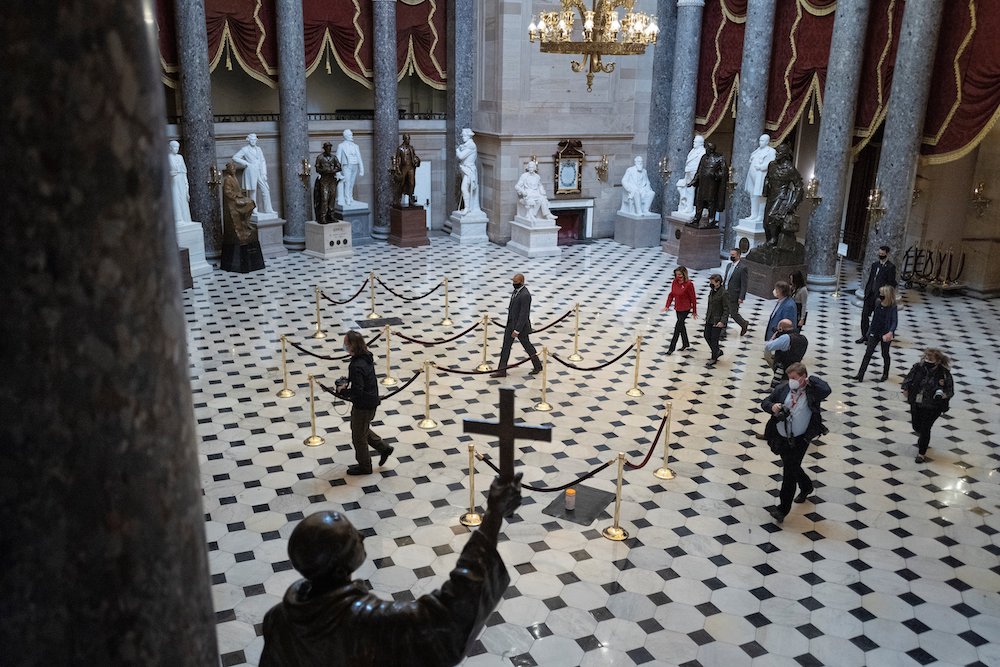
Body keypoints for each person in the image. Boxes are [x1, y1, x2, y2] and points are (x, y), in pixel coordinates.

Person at [259, 473, 522, 667]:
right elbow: (447, 618)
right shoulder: (369, 623)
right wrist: (493, 516)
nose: (361, 535)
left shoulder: (279, 620)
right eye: (352, 536)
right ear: (339, 566)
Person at [761, 362, 831, 524]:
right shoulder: (783, 389)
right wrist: (773, 407)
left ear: (803, 378)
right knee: (791, 465)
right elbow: (765, 402)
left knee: (789, 474)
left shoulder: (813, 392)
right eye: (789, 377)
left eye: (794, 378)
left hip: (801, 439)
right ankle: (806, 486)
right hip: (781, 436)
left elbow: (826, 389)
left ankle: (782, 509)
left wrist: (810, 380)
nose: (790, 380)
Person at [336, 331, 393, 475]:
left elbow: (358, 391)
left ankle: (365, 466)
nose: (344, 346)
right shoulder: (366, 356)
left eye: (346, 343)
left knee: (358, 437)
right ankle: (384, 448)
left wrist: (343, 392)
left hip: (364, 405)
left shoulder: (356, 365)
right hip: (371, 401)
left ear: (351, 345)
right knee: (361, 429)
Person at [901, 348, 954, 464]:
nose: (928, 361)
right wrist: (905, 388)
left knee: (926, 428)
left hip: (933, 407)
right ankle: (922, 438)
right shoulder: (918, 367)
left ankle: (921, 453)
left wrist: (942, 395)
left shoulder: (943, 373)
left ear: (938, 361)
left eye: (931, 360)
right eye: (926, 358)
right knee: (917, 427)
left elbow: (950, 390)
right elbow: (908, 379)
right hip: (917, 402)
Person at [490, 273, 543, 378]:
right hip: (510, 324)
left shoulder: (525, 295)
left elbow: (524, 314)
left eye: (516, 282)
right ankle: (501, 370)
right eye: (513, 282)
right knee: (505, 347)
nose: (514, 284)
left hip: (520, 327)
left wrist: (517, 330)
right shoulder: (516, 291)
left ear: (522, 282)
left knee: (528, 347)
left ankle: (537, 366)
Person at [762, 143, 803, 246]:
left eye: (779, 152)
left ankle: (774, 240)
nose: (776, 154)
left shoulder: (790, 169)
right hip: (772, 195)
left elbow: (799, 187)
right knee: (766, 222)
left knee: (772, 218)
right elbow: (767, 177)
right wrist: (766, 186)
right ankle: (769, 243)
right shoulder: (772, 165)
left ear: (784, 154)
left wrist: (793, 204)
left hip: (782, 197)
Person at [854, 285, 897, 382]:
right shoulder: (878, 302)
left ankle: (885, 373)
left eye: (882, 294)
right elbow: (874, 319)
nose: (880, 296)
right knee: (868, 353)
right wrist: (869, 332)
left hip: (886, 333)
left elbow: (894, 321)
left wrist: (890, 332)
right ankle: (860, 374)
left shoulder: (893, 307)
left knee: (885, 353)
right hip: (875, 331)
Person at [857, 245, 897, 343]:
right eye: (879, 253)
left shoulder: (891, 267)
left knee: (877, 318)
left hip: (880, 296)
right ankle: (864, 335)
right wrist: (867, 291)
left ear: (887, 254)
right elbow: (871, 279)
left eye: (882, 254)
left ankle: (872, 337)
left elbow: (891, 283)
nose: (880, 255)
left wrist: (885, 296)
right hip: (870, 294)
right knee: (864, 315)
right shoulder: (875, 265)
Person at [687, 141, 727, 228]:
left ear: (711, 149)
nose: (706, 150)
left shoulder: (719, 158)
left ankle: (711, 219)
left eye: (707, 148)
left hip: (712, 185)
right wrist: (693, 181)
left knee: (711, 202)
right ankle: (697, 218)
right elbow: (699, 171)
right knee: (699, 201)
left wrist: (715, 174)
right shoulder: (704, 158)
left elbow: (724, 173)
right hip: (702, 184)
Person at [232, 132, 275, 214]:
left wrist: (264, 173)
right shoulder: (245, 149)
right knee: (253, 191)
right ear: (248, 140)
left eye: (254, 140)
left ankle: (268, 209)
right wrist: (246, 163)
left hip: (259, 171)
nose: (253, 141)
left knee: (265, 190)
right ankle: (254, 209)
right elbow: (235, 157)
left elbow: (262, 161)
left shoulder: (259, 149)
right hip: (251, 171)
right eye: (251, 140)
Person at [661, 266, 698, 355]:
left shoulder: (689, 284)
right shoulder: (674, 282)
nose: (678, 276)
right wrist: (667, 306)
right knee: (681, 326)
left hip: (685, 309)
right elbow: (671, 294)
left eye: (680, 274)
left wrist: (694, 311)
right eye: (676, 274)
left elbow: (693, 298)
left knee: (677, 328)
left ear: (684, 274)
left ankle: (671, 348)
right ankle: (685, 343)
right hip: (678, 308)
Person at [764, 319, 808, 387]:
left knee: (767, 354)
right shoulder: (803, 338)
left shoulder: (785, 338)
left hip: (783, 367)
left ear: (780, 328)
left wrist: (774, 336)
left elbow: (768, 347)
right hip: (795, 365)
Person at [222, 161, 256, 245]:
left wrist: (241, 194)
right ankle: (243, 227)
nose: (233, 170)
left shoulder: (234, 177)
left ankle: (246, 222)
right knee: (248, 203)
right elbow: (228, 192)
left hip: (238, 198)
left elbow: (238, 190)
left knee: (251, 203)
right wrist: (237, 196)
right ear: (228, 169)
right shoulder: (227, 179)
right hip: (233, 202)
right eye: (232, 168)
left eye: (234, 168)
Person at [743, 134, 776, 223]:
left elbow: (772, 163)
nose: (760, 143)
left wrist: (762, 166)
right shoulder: (757, 150)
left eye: (762, 141)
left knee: (761, 196)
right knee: (753, 195)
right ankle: (753, 214)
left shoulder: (771, 151)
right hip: (752, 176)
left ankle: (760, 216)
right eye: (760, 140)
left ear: (767, 142)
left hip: (761, 175)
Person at [674, 135, 705, 218]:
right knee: (688, 189)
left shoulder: (702, 152)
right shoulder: (693, 151)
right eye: (694, 141)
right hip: (689, 171)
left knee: (692, 189)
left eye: (695, 141)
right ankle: (687, 206)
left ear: (700, 143)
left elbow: (701, 164)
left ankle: (690, 208)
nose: (693, 143)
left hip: (695, 172)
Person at [703, 273, 729, 367]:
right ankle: (717, 351)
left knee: (714, 339)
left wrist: (722, 321)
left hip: (717, 320)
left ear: (718, 282)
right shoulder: (712, 291)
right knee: (706, 335)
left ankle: (714, 357)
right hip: (710, 318)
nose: (711, 283)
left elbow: (726, 308)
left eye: (712, 281)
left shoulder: (723, 293)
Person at [723, 247, 750, 336]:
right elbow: (726, 279)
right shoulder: (728, 266)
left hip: (734, 294)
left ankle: (743, 323)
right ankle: (722, 331)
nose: (731, 256)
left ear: (738, 256)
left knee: (733, 313)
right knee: (724, 312)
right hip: (726, 293)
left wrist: (741, 297)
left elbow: (744, 284)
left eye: (733, 255)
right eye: (731, 255)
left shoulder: (743, 268)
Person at [313, 142, 342, 224]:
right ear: (324, 148)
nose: (329, 149)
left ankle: (331, 216)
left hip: (332, 179)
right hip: (324, 180)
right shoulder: (320, 157)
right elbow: (317, 169)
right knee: (324, 198)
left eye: (330, 147)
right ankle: (323, 217)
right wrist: (325, 171)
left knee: (332, 198)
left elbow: (339, 167)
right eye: (327, 147)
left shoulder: (334, 157)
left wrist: (333, 170)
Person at [336, 129, 365, 208]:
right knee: (347, 182)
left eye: (352, 135)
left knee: (352, 182)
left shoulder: (356, 146)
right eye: (350, 135)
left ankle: (350, 197)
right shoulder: (341, 146)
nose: (352, 136)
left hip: (354, 165)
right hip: (346, 166)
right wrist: (337, 171)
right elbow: (338, 159)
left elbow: (359, 157)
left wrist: (361, 169)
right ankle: (347, 198)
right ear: (346, 136)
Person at [456, 128, 482, 215]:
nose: (462, 137)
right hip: (465, 169)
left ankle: (467, 208)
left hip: (469, 170)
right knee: (465, 189)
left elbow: (460, 156)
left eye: (464, 135)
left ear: (468, 136)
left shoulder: (471, 146)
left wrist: (457, 149)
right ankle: (467, 207)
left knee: (464, 188)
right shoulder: (466, 145)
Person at [392, 133, 421, 207]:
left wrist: (416, 160)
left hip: (411, 167)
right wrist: (397, 169)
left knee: (411, 183)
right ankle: (398, 199)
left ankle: (410, 199)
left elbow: (414, 156)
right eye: (407, 139)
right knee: (401, 183)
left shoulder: (411, 148)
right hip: (404, 167)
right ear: (404, 139)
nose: (408, 140)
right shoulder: (400, 148)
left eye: (409, 138)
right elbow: (398, 159)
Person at [168, 140, 192, 223]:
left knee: (183, 200)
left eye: (177, 147)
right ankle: (178, 219)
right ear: (170, 148)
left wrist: (187, 188)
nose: (176, 149)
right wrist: (171, 173)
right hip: (173, 181)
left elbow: (184, 172)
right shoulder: (167, 157)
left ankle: (185, 219)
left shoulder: (180, 157)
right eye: (174, 147)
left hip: (181, 180)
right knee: (175, 199)